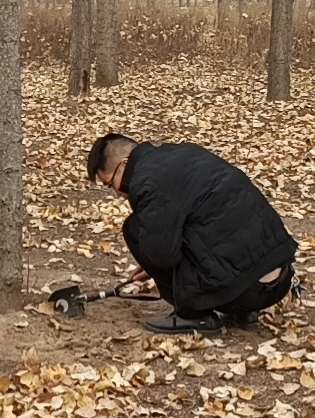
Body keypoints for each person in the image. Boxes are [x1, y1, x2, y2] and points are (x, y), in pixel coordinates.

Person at [86, 133, 299, 336]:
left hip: (247, 292)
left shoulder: (146, 181)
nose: (116, 193)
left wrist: (150, 256)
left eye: (110, 183)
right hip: (280, 278)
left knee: (134, 228)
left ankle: (194, 314)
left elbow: (162, 256)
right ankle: (242, 314)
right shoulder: (185, 154)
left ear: (124, 164)